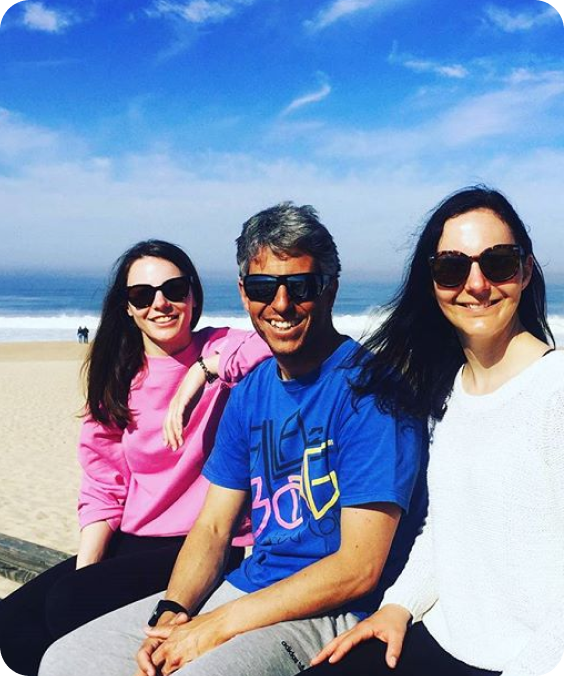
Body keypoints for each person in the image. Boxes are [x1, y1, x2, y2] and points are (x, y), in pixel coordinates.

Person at [39, 202, 428, 676]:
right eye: (265, 288)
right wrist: (174, 610)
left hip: (327, 609)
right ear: (244, 293)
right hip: (247, 587)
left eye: (300, 286)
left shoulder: (372, 392)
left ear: (330, 289)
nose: (281, 305)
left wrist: (216, 626)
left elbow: (358, 568)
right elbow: (214, 528)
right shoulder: (251, 392)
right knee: (70, 661)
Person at [303, 186, 562, 676]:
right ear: (432, 282)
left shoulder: (555, 393)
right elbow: (446, 532)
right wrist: (398, 606)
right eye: (451, 267)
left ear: (526, 271)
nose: (477, 284)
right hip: (440, 639)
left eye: (499, 263)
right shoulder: (449, 393)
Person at [0, 239, 269, 676]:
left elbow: (277, 344)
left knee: (66, 607)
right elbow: (104, 484)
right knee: (16, 623)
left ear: (193, 295)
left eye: (173, 289)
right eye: (142, 295)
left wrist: (200, 373)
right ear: (127, 308)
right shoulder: (119, 376)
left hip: (211, 544)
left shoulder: (223, 347)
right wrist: (87, 569)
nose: (160, 304)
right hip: (135, 539)